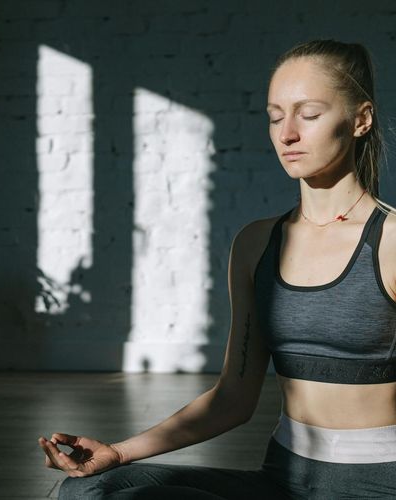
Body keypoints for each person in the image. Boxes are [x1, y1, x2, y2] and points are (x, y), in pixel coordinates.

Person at [37, 39, 396, 499]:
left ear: (361, 119)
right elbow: (233, 400)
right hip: (282, 482)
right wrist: (118, 453)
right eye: (274, 116)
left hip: (375, 487)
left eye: (308, 115)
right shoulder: (256, 244)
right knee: (87, 491)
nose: (286, 133)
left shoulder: (388, 243)